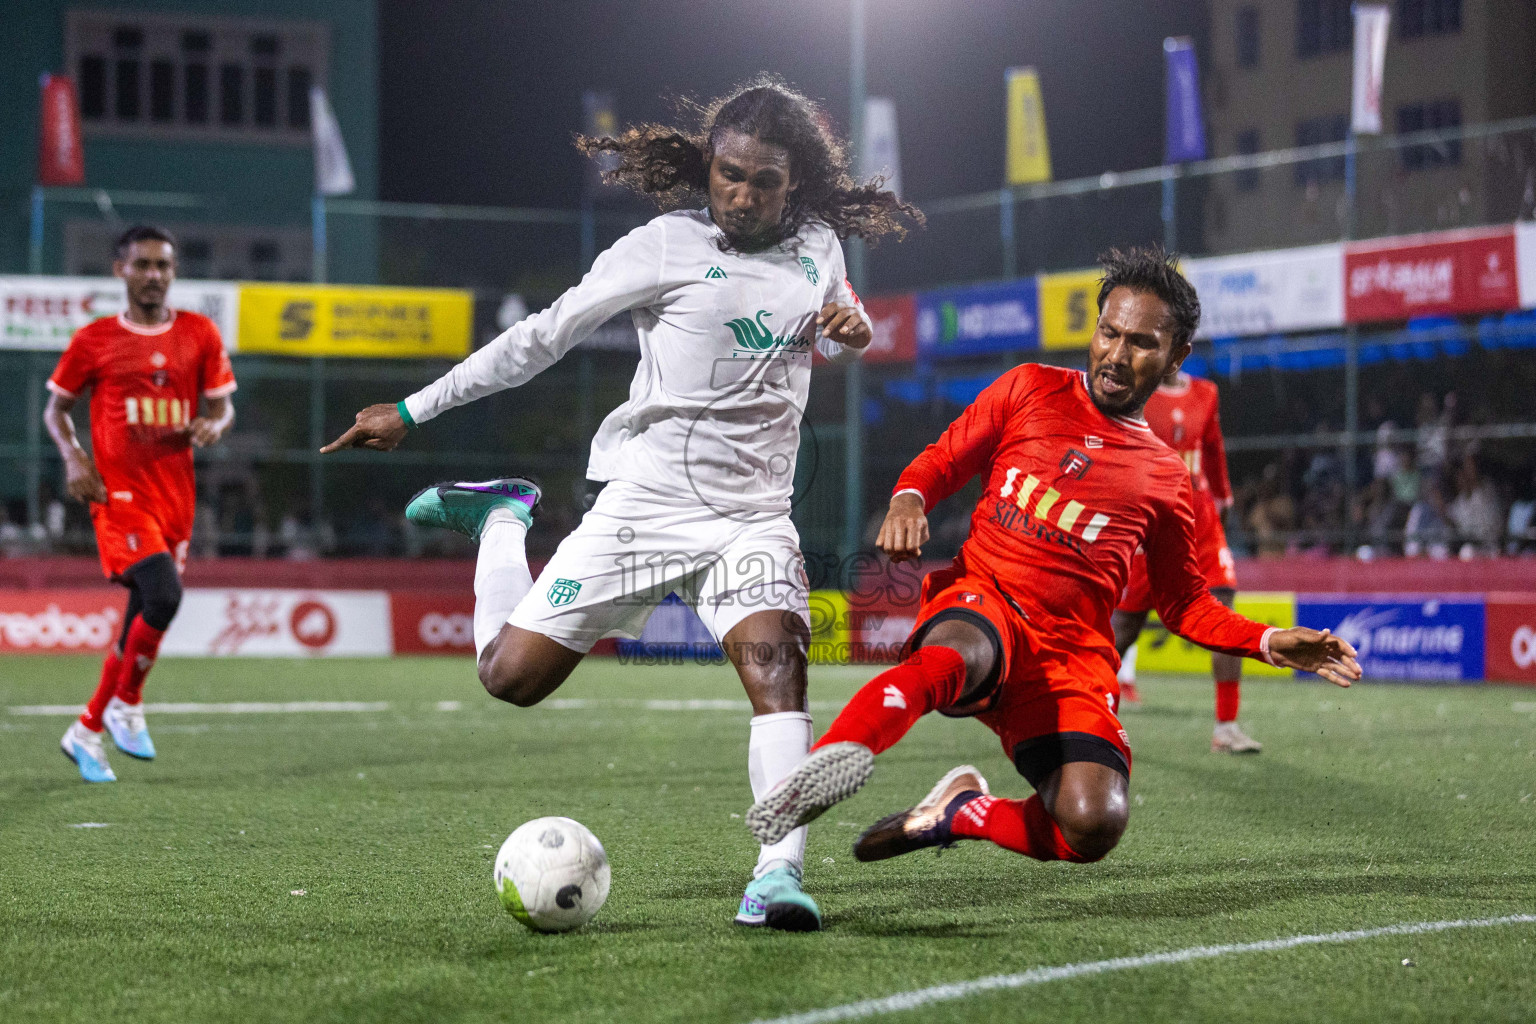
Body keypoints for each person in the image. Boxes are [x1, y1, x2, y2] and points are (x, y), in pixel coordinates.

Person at [321, 78, 920, 931]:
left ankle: (777, 875)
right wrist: (415, 409)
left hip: (752, 515)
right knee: (509, 679)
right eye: (730, 174)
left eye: (765, 182)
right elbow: (542, 337)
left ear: (798, 185)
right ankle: (500, 519)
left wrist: (849, 329)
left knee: (780, 676)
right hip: (645, 504)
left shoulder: (819, 243)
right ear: (708, 166)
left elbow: (839, 316)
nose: (743, 195)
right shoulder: (664, 246)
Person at [748, 246, 1358, 878]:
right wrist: (908, 496)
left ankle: (963, 812)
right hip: (984, 602)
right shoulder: (1029, 388)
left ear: (1175, 358)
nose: (1117, 355)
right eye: (1108, 332)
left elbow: (1183, 602)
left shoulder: (1168, 481)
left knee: (1092, 824)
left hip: (1070, 659)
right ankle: (822, 769)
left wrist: (1267, 639)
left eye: (1142, 343)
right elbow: (943, 459)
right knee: (953, 658)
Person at [47, 225, 237, 783]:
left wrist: (214, 424)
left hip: (175, 500)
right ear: (120, 270)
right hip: (118, 496)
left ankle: (86, 730)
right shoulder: (94, 340)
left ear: (173, 272)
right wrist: (75, 459)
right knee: (162, 594)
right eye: (143, 265)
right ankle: (128, 703)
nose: (154, 275)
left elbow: (224, 407)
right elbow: (55, 410)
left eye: (163, 265)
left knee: (140, 619)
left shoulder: (199, 333)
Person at [1109, 368, 1262, 754]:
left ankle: (1226, 728)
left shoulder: (1206, 393)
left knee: (1224, 612)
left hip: (1200, 522)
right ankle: (1090, 713)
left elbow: (1213, 447)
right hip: (1152, 523)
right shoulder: (1134, 391)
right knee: (1124, 627)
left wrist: (1224, 498)